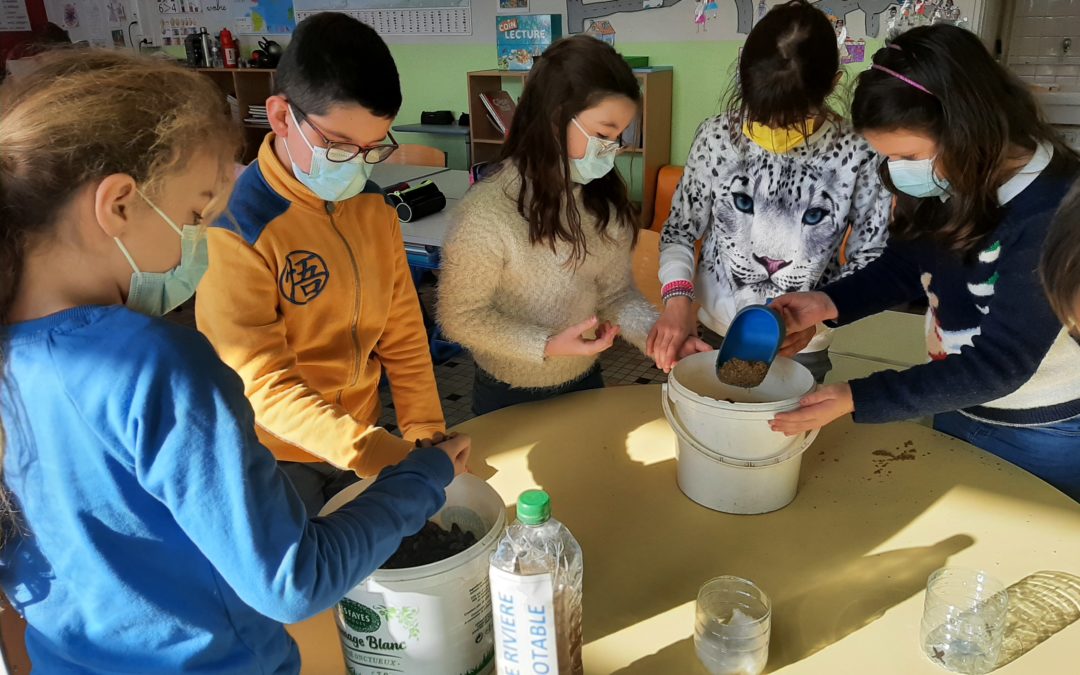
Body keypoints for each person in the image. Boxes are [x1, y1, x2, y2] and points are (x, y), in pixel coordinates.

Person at [0, 50, 470, 673]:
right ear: (117, 205)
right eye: (195, 214)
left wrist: (412, 440)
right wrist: (416, 476)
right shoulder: (156, 364)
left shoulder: (23, 352)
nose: (198, 240)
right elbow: (290, 579)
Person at [770, 25, 1080, 501]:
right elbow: (905, 265)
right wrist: (825, 303)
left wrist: (857, 397)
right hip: (956, 398)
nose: (898, 171)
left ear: (968, 128)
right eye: (889, 158)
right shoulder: (950, 177)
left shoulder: (1054, 210)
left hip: (1041, 432)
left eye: (908, 156)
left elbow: (1002, 364)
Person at [196, 14, 447, 515]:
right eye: (337, 146)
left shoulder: (372, 208)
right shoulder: (238, 229)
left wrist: (424, 435)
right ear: (282, 116)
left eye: (373, 148)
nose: (356, 165)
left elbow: (403, 331)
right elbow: (263, 385)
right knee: (308, 579)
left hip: (363, 432)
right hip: (277, 454)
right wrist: (381, 453)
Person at [438, 35, 709, 416]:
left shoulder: (602, 202)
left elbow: (615, 297)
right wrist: (547, 344)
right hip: (507, 394)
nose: (611, 149)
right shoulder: (487, 212)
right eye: (602, 134)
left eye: (618, 137)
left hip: (584, 381)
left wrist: (660, 337)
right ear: (555, 116)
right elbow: (461, 318)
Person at [649, 0, 891, 382]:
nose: (776, 133)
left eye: (793, 120)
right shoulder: (716, 136)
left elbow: (870, 258)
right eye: (761, 115)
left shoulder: (861, 152)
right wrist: (677, 301)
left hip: (802, 345)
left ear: (833, 84)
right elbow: (680, 229)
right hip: (714, 326)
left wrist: (821, 316)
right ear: (742, 77)